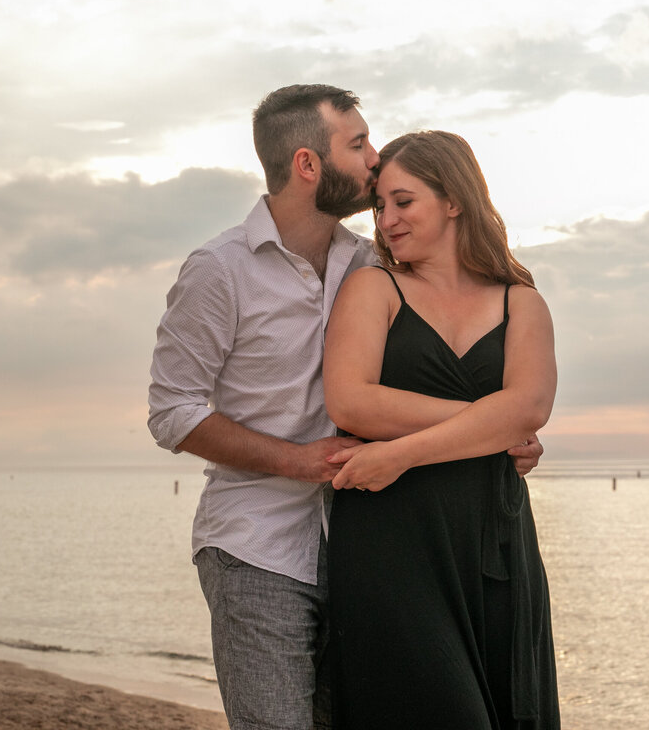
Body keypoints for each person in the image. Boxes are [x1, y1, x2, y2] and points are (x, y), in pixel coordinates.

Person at [147, 85, 543, 730]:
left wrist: (495, 430)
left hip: (370, 546)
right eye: (357, 143)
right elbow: (173, 412)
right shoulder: (218, 271)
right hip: (258, 544)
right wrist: (296, 462)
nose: (373, 156)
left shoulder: (369, 261)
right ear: (309, 165)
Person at [322, 130, 561, 728]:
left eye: (403, 201)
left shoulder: (521, 302)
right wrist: (492, 423)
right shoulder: (374, 287)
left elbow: (529, 404)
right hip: (392, 540)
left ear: (454, 199)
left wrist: (401, 454)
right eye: (380, 206)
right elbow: (351, 403)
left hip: (495, 543)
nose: (387, 220)